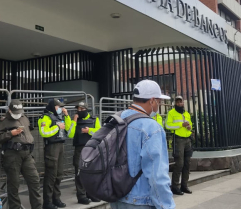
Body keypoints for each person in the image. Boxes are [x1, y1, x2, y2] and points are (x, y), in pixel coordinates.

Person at [111, 80, 175, 209]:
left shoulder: (117, 119)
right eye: (159, 101)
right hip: (140, 201)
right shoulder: (151, 127)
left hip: (116, 196)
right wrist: (166, 206)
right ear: (152, 101)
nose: (159, 104)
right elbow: (157, 175)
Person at [0, 100, 41, 209]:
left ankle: (37, 207)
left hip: (27, 153)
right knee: (14, 184)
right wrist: (10, 134)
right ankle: (15, 207)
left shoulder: (24, 117)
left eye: (19, 112)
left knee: (34, 180)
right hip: (12, 154)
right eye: (15, 112)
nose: (17, 114)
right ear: (9, 110)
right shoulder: (4, 121)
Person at [65, 102, 101, 204]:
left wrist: (89, 130)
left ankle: (91, 194)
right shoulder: (75, 121)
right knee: (79, 172)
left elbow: (99, 133)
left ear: (86, 110)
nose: (79, 111)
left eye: (81, 110)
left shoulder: (94, 119)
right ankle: (81, 196)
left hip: (91, 148)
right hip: (79, 148)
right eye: (78, 110)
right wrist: (74, 121)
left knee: (91, 172)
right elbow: (70, 135)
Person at [39, 99, 70, 209]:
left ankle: (56, 198)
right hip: (52, 147)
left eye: (61, 107)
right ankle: (47, 202)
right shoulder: (45, 117)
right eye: (58, 107)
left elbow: (68, 129)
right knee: (51, 175)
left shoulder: (60, 117)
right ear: (53, 107)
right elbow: (44, 132)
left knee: (59, 174)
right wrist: (57, 127)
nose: (60, 109)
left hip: (60, 145)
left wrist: (67, 116)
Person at [165, 96, 193, 195]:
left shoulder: (186, 114)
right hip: (178, 140)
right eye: (178, 102)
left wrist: (189, 127)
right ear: (175, 103)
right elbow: (167, 125)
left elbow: (190, 127)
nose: (180, 103)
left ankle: (184, 186)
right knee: (179, 163)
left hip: (187, 140)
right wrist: (181, 125)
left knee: (187, 164)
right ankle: (175, 187)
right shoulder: (171, 113)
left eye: (181, 101)